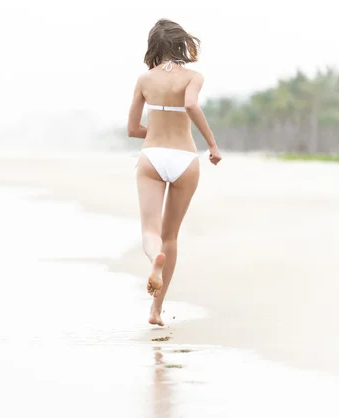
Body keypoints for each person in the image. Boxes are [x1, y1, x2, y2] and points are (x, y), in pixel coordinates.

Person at [127, 18, 222, 326]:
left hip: (152, 157)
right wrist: (212, 144)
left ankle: (154, 259)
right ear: (182, 44)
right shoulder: (193, 77)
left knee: (150, 232)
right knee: (171, 237)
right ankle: (156, 310)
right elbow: (192, 106)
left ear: (154, 46)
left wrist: (156, 130)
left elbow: (132, 129)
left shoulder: (145, 79)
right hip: (185, 158)